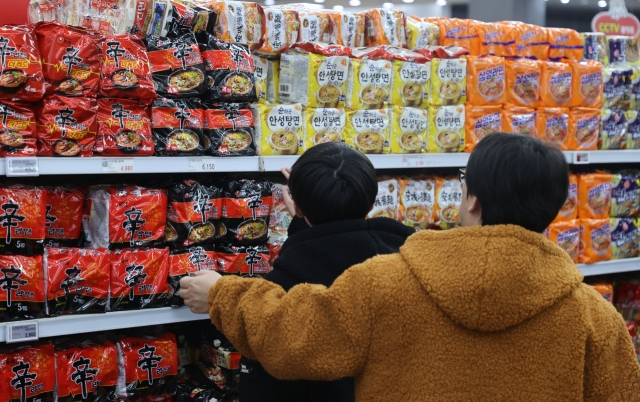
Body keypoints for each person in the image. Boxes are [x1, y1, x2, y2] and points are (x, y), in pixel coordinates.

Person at [181, 134, 640, 401]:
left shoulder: (387, 281)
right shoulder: (593, 317)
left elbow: (291, 337)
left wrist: (223, 293)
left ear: (473, 201)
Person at [238, 142, 415, 402]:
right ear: (371, 202)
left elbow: (269, 380)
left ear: (297, 208)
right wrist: (305, 215)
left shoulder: (284, 285)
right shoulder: (406, 260)